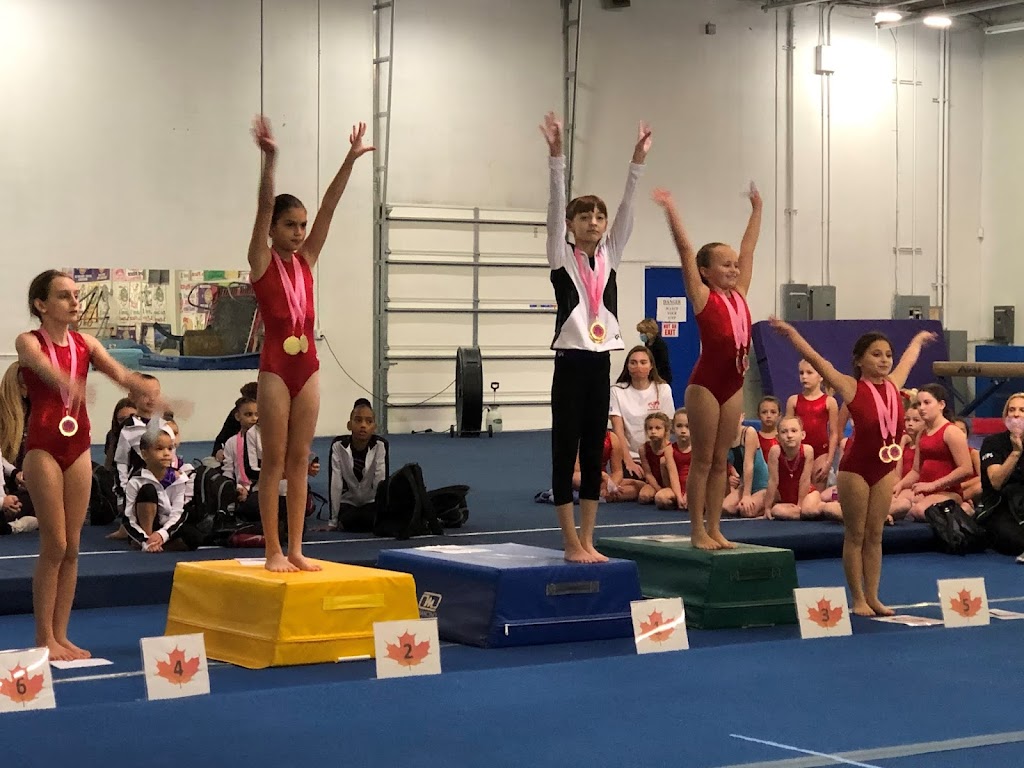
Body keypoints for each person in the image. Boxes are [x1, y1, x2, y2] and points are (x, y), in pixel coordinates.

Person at [248, 115, 374, 571]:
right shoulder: (261, 262)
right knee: (275, 461)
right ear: (272, 229)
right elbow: (264, 205)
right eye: (289, 225)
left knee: (300, 458)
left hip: (308, 367)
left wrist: (350, 160)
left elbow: (329, 208)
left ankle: (297, 548)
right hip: (275, 368)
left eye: (301, 225)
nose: (299, 232)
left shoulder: (307, 259)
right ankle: (272, 550)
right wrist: (271, 160)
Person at [17, 270, 155, 660]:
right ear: (41, 305)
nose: (75, 302)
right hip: (43, 448)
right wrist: (68, 381)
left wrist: (144, 389)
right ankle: (43, 637)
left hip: (77, 446)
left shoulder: (87, 343)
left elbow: (119, 373)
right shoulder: (28, 340)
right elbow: (41, 366)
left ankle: (61, 635)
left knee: (74, 547)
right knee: (55, 543)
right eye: (64, 296)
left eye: (76, 295)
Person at [540, 111, 650, 563]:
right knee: (565, 452)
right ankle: (570, 542)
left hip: (600, 362)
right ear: (571, 224)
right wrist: (557, 157)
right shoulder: (560, 254)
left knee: (593, 451)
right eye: (584, 216)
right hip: (570, 363)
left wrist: (637, 161)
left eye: (599, 216)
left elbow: (628, 209)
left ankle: (588, 539)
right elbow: (554, 206)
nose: (594, 221)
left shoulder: (611, 255)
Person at [769, 318, 935, 616]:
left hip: (884, 468)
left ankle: (873, 596)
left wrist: (919, 340)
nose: (884, 360)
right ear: (859, 360)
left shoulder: (894, 385)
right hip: (855, 468)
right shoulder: (851, 387)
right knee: (856, 534)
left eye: (888, 355)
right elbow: (818, 361)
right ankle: (858, 598)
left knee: (876, 534)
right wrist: (792, 334)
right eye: (876, 354)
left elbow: (909, 360)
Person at [652, 182, 762, 550]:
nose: (734, 268)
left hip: (733, 384)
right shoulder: (702, 297)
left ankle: (715, 527)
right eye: (725, 265)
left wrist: (757, 209)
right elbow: (686, 249)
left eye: (735, 265)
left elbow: (749, 248)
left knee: (720, 460)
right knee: (701, 459)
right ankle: (697, 530)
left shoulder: (740, 295)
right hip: (705, 385)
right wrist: (670, 208)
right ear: (705, 271)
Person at [902, 384, 973, 522]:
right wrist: (899, 486)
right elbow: (916, 471)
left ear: (941, 405)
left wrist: (933, 485)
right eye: (919, 404)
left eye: (927, 403)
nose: (921, 408)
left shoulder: (951, 432)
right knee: (893, 502)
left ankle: (964, 510)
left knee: (919, 510)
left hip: (948, 492)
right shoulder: (922, 433)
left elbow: (966, 469)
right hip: (925, 490)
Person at [122, 427, 200, 552]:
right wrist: (144, 538)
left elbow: (178, 513)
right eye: (159, 449)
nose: (166, 453)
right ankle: (147, 541)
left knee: (194, 536)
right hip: (146, 527)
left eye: (170, 448)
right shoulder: (136, 481)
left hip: (166, 527)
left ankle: (158, 545)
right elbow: (128, 518)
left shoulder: (178, 479)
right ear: (145, 454)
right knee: (148, 490)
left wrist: (162, 534)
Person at [609, 346, 675, 478]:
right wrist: (628, 460)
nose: (638, 366)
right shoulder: (617, 391)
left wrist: (661, 457)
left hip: (656, 455)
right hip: (630, 456)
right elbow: (618, 430)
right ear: (627, 366)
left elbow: (667, 429)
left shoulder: (663, 389)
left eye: (643, 362)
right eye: (633, 362)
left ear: (651, 366)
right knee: (628, 486)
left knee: (654, 489)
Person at [329, 399, 389, 532]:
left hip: (370, 501)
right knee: (349, 520)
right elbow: (335, 482)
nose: (363, 425)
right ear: (349, 425)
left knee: (371, 518)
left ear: (374, 427)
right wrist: (333, 520)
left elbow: (381, 480)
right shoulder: (338, 446)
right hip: (348, 501)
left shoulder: (380, 446)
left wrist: (382, 514)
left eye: (369, 421)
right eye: (358, 420)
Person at [975, 393, 1024, 556]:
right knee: (1015, 539)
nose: (1016, 414)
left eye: (1022, 410)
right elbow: (996, 482)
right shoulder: (993, 443)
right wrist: (1015, 453)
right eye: (1012, 410)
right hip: (998, 506)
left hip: (1021, 503)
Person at [785, 360, 839, 491]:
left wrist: (829, 461)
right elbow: (786, 430)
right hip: (798, 452)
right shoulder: (793, 401)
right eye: (801, 373)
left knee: (817, 493)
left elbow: (834, 433)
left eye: (809, 373)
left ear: (821, 376)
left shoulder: (829, 402)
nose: (804, 377)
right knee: (798, 492)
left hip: (821, 453)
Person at [764, 416, 819, 520]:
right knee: (776, 510)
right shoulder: (775, 451)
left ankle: (816, 510)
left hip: (807, 494)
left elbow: (805, 480)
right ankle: (804, 514)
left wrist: (800, 505)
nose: (789, 435)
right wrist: (767, 507)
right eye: (784, 432)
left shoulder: (807, 451)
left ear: (802, 435)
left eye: (794, 431)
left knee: (808, 509)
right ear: (777, 437)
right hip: (785, 497)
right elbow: (773, 481)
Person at [723, 413, 769, 518]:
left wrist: (746, 495)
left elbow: (748, 465)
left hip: (762, 485)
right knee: (726, 507)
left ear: (742, 417)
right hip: (744, 485)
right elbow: (723, 467)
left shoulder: (749, 432)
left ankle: (770, 502)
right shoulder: (723, 438)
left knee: (746, 511)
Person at [889, 402, 925, 523]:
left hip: (916, 490)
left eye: (916, 420)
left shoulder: (925, 446)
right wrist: (902, 444)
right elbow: (897, 477)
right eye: (907, 420)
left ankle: (879, 516)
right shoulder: (905, 446)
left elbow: (918, 474)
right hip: (903, 489)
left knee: (902, 502)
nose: (910, 423)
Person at [637, 412, 679, 508]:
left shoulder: (671, 449)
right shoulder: (643, 449)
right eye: (650, 428)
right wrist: (657, 488)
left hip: (669, 482)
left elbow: (674, 473)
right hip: (654, 482)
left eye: (658, 428)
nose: (653, 431)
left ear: (666, 430)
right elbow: (648, 473)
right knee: (644, 496)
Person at [212, 381, 258, 460]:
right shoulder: (236, 413)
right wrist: (218, 451)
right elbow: (221, 439)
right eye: (248, 414)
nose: (254, 418)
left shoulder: (270, 414)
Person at [636, 318, 672, 386]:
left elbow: (662, 363)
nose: (641, 335)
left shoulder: (660, 344)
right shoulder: (647, 343)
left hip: (661, 377)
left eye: (643, 333)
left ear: (650, 332)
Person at [103, 398, 136, 471]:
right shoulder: (112, 436)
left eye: (132, 417)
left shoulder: (149, 437)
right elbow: (109, 466)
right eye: (122, 419)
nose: (127, 422)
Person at [756, 395, 781, 461]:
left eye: (773, 412)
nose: (768, 416)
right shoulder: (754, 437)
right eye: (764, 412)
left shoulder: (783, 437)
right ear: (758, 415)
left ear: (779, 415)